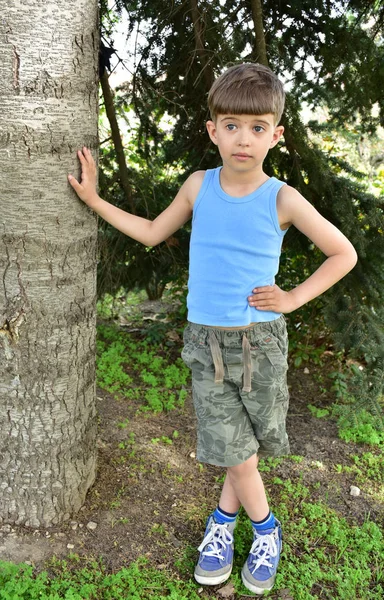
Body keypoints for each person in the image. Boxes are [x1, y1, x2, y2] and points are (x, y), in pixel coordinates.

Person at [68, 63, 357, 595]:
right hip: (206, 344)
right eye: (230, 124)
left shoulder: (282, 198)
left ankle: (223, 522)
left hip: (261, 343)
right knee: (236, 450)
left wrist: (292, 298)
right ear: (212, 130)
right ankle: (266, 530)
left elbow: (344, 253)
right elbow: (154, 233)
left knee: (242, 448)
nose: (242, 139)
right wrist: (94, 201)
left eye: (256, 127)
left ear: (276, 134)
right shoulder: (199, 186)